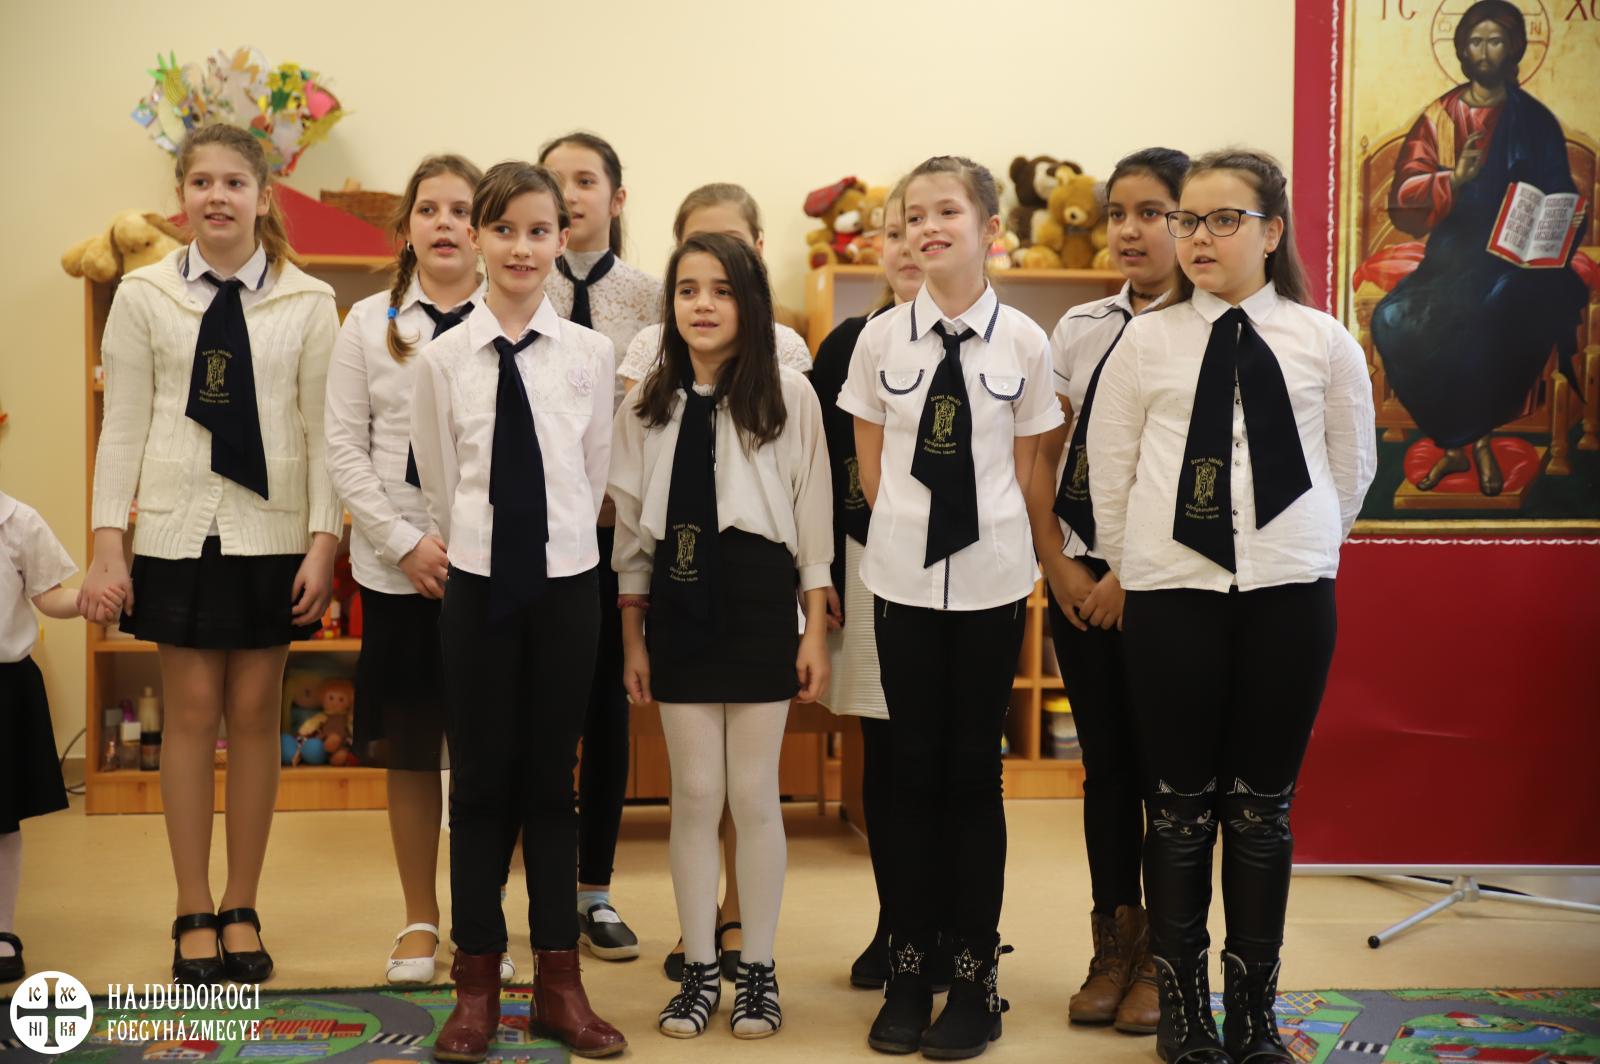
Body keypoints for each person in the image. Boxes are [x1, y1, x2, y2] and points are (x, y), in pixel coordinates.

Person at [1087, 149, 1377, 1064]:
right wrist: (1146, 563)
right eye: (1188, 221)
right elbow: (1111, 473)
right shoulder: (1146, 341)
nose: (1197, 238)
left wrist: (1299, 545)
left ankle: (1253, 1017)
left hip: (1289, 594)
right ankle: (1184, 1012)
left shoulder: (1322, 340)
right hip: (1172, 595)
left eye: (1222, 220)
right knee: (1177, 810)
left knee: (1261, 810)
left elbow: (1351, 467)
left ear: (1271, 231)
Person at [79, 122, 340, 986]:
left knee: (258, 711)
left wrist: (325, 541)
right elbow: (122, 426)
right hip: (175, 530)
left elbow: (324, 433)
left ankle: (242, 903)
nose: (218, 196)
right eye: (202, 183)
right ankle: (192, 904)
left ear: (264, 198)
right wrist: (108, 543)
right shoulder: (143, 295)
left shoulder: (309, 301)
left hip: (273, 532)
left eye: (235, 182)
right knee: (191, 711)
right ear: (181, 199)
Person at [839, 156, 1063, 1058]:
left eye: (947, 212)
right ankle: (907, 970)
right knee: (907, 777)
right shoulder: (880, 342)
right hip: (899, 582)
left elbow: (1030, 469)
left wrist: (1011, 548)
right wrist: (909, 534)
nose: (928, 228)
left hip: (990, 584)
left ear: (989, 228)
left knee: (973, 778)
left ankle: (973, 980)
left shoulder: (1027, 344)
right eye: (913, 215)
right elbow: (870, 467)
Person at [410, 161, 625, 1061]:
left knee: (550, 782)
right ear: (476, 239)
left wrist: (556, 550)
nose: (522, 248)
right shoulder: (441, 358)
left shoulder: (590, 355)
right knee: (479, 784)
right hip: (479, 585)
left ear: (562, 240)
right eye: (504, 230)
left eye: (540, 231)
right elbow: (437, 474)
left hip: (567, 583)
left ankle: (559, 985)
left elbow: (595, 469)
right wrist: (476, 552)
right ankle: (476, 986)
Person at [610, 232, 831, 1039]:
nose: (702, 305)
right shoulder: (647, 402)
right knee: (696, 794)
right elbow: (631, 536)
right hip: (679, 597)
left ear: (751, 303)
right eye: (688, 290)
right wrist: (634, 638)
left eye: (722, 290)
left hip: (761, 596)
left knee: (754, 794)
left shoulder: (789, 396)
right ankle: (700, 968)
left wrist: (813, 627)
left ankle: (758, 968)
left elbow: (813, 521)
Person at [1026, 146, 1190, 1035]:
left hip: (1161, 586)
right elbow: (1043, 454)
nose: (1129, 230)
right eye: (1117, 213)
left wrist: (1131, 574)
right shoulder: (1081, 326)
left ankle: (1166, 958)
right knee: (1107, 773)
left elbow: (1188, 473)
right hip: (1077, 577)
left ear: (1186, 221)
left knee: (1168, 775)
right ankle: (1112, 948)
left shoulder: (1204, 326)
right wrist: (1058, 563)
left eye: (1151, 212)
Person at [324, 153, 486, 984]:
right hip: (400, 569)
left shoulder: (513, 315)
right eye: (430, 209)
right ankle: (421, 920)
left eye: (462, 210)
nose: (446, 223)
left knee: (489, 753)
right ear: (408, 227)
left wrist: (477, 545)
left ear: (484, 229)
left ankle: (484, 921)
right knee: (415, 750)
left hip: (492, 567)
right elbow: (344, 447)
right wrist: (402, 542)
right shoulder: (367, 322)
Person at [1371, 0, 1587, 496]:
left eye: (1495, 41)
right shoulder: (1439, 117)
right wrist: (1453, 178)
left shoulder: (1535, 120)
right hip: (1453, 251)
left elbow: (1558, 188)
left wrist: (1560, 219)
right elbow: (1403, 195)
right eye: (1475, 41)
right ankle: (1454, 444)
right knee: (1393, 318)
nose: (1485, 52)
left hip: (1517, 256)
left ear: (1513, 49)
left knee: (1495, 311)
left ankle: (1480, 442)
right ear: (1462, 50)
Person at [539, 131, 662, 960]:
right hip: (538, 533)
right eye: (554, 181)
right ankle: (538, 888)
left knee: (606, 711)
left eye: (586, 181)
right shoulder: (517, 281)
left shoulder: (652, 296)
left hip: (619, 534)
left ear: (616, 199)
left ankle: (595, 889)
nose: (569, 195)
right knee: (539, 711)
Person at [807, 177, 924, 990]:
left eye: (926, 225)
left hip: (962, 571)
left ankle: (956, 924)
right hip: (865, 562)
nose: (910, 244)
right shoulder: (849, 343)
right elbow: (817, 467)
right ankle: (897, 921)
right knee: (884, 751)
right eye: (895, 231)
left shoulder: (1000, 341)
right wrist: (818, 577)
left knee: (951, 756)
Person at [1, 489, 94, 983]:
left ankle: (2, 930)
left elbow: (48, 594)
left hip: (5, 685)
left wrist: (86, 599)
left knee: (2, 818)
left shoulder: (18, 522)